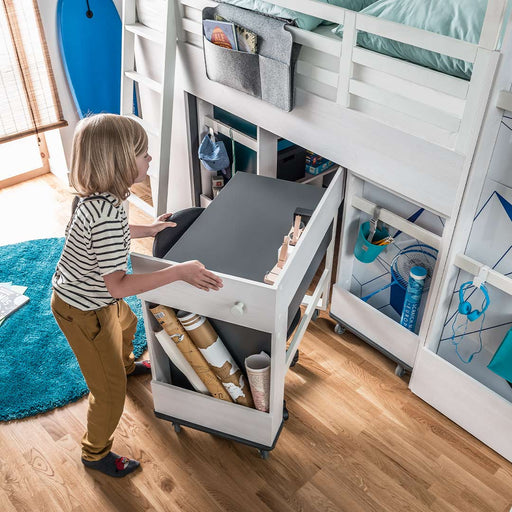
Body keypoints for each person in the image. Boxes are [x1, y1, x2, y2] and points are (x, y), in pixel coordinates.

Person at [51, 114, 223, 478]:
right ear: (118, 162)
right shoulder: (106, 214)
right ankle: (95, 453)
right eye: (143, 154)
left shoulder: (102, 198)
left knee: (127, 324)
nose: (149, 159)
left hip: (89, 297)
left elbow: (115, 233)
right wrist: (178, 272)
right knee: (109, 392)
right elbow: (119, 286)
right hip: (84, 310)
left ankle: (127, 365)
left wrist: (149, 228)